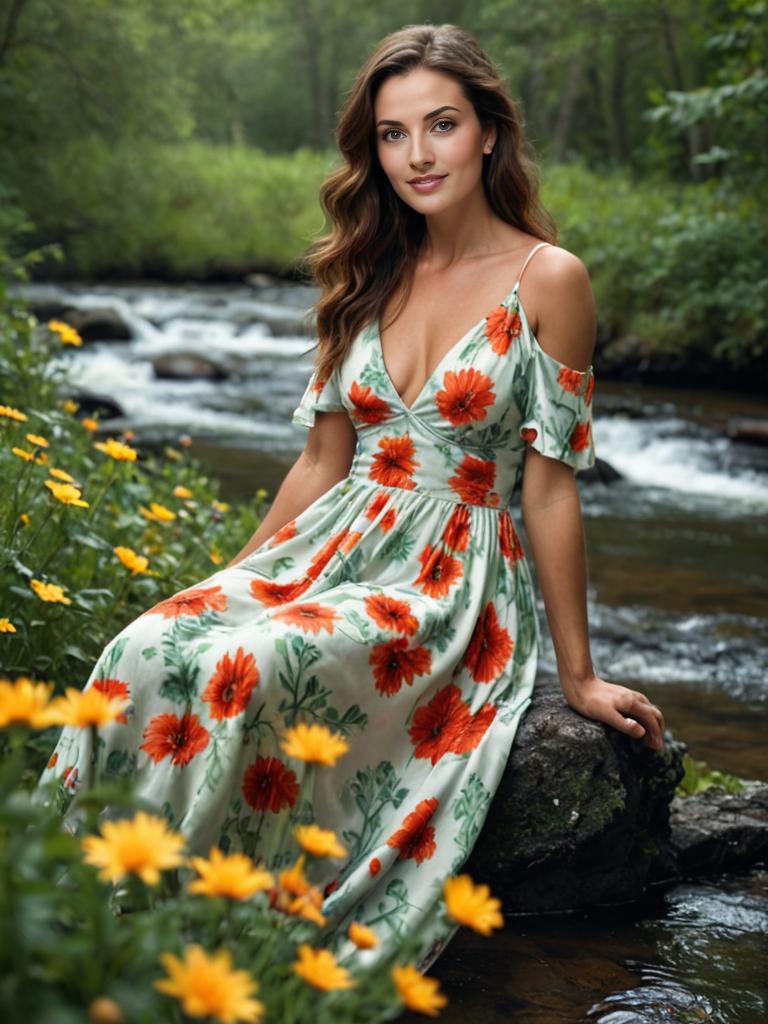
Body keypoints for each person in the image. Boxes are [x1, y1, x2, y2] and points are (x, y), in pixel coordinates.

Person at [36, 22, 665, 975]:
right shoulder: (365, 270)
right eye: (392, 133)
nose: (417, 155)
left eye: (441, 125)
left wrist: (576, 676)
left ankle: (209, 933)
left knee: (255, 661)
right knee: (151, 641)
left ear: (488, 131)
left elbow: (549, 488)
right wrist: (230, 578)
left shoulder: (551, 280)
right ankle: (79, 902)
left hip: (449, 577)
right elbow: (322, 461)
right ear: (371, 148)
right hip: (336, 539)